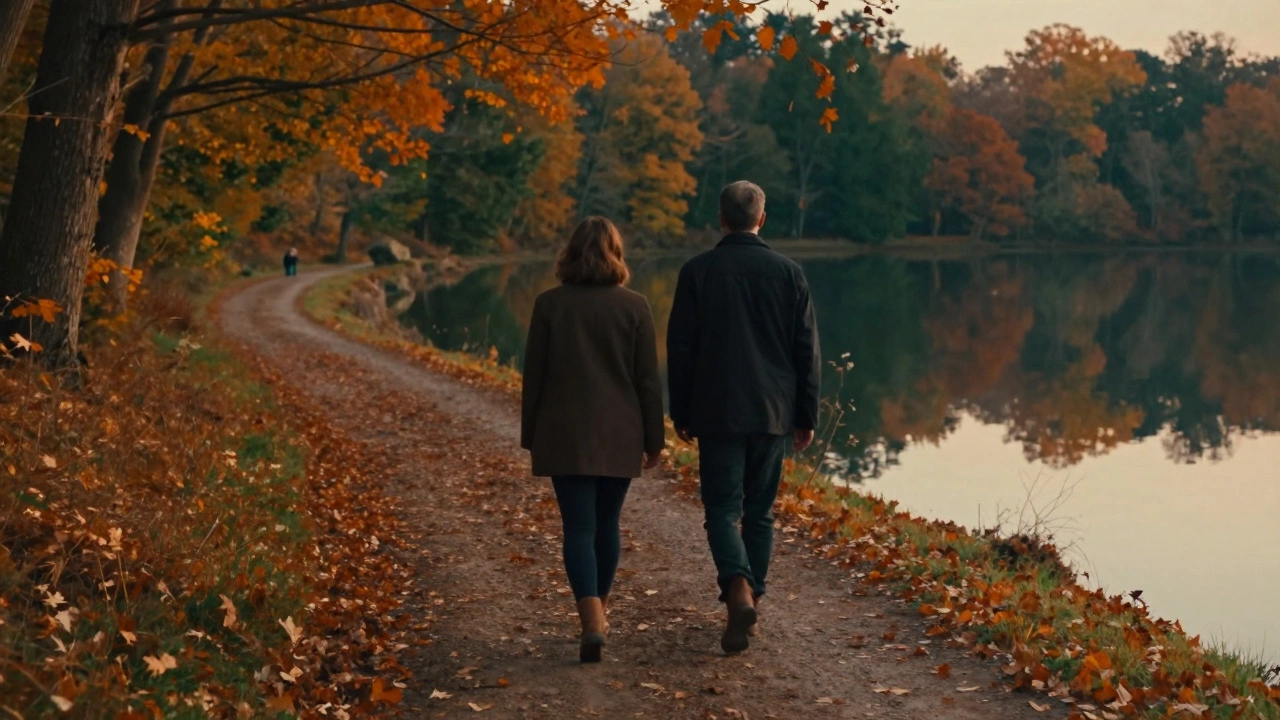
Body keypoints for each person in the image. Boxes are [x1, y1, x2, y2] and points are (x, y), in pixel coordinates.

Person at [666, 180, 821, 655]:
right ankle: (751, 597)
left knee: (721, 511)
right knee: (760, 513)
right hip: (773, 411)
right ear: (761, 219)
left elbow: (681, 348)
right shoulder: (789, 273)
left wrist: (681, 409)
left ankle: (738, 587)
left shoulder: (697, 272)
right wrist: (806, 414)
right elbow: (806, 351)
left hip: (716, 410)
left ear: (721, 219)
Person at [521, 216, 665, 663]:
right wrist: (654, 439)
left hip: (564, 434)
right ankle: (598, 616)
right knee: (607, 524)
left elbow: (534, 377)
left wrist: (531, 435)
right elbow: (647, 380)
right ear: (615, 254)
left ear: (570, 253)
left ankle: (591, 620)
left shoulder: (549, 305)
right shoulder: (635, 306)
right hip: (621, 433)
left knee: (578, 528)